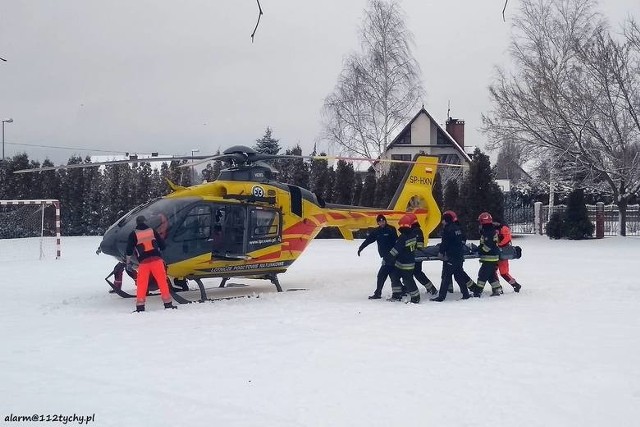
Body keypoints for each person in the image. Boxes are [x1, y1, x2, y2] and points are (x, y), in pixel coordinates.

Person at [126, 215, 176, 312]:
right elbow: (162, 246)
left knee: (142, 284)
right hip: (157, 261)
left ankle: (140, 307)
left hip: (144, 263)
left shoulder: (133, 234)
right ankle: (168, 304)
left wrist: (128, 262)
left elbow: (129, 250)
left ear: (137, 223)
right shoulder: (152, 231)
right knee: (162, 281)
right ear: (145, 222)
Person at [430, 210, 472, 301]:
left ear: (446, 220)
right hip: (459, 256)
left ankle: (441, 297)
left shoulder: (447, 229)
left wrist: (441, 252)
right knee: (459, 276)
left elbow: (445, 243)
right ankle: (465, 294)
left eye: (443, 220)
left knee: (446, 277)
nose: (442, 222)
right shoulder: (458, 228)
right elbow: (461, 240)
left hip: (451, 256)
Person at [358, 214, 398, 299]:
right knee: (391, 275)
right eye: (380, 221)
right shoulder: (377, 231)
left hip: (392, 257)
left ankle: (379, 293)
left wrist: (395, 255)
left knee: (382, 275)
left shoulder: (391, 229)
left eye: (383, 221)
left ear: (385, 221)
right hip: (385, 257)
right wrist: (361, 248)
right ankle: (400, 291)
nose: (382, 223)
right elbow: (368, 240)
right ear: (378, 223)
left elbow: (397, 243)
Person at [385, 214, 420, 303]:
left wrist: (388, 258)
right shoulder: (413, 235)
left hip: (403, 263)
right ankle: (398, 294)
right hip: (409, 262)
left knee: (406, 280)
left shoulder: (403, 237)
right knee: (397, 277)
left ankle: (415, 297)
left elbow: (396, 249)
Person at [470, 212, 502, 297]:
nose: (479, 224)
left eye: (480, 222)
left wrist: (480, 251)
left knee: (482, 275)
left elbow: (487, 246)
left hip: (489, 258)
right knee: (491, 275)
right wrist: (478, 248)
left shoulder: (488, 232)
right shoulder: (489, 230)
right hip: (492, 257)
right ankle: (497, 289)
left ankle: (477, 292)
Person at [409, 214, 438, 296]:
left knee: (416, 272)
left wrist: (414, 252)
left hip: (417, 255)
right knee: (415, 273)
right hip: (417, 255)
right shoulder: (415, 230)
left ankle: (431, 288)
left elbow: (419, 244)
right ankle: (430, 288)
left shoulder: (416, 230)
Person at [494, 219, 522, 293]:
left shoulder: (503, 228)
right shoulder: (499, 227)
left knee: (503, 272)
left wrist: (499, 245)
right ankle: (499, 287)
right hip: (500, 252)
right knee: (495, 271)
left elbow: (507, 238)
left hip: (502, 252)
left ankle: (514, 285)